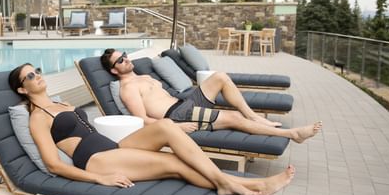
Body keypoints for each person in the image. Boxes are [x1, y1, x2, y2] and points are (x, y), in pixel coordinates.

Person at [8, 62, 296, 195]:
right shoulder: (37, 118)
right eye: (30, 76)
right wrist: (98, 178)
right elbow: (53, 164)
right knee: (173, 163)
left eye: (37, 71)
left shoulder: (62, 102)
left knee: (168, 126)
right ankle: (245, 186)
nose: (37, 77)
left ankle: (227, 183)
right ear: (23, 88)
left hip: (111, 145)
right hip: (95, 159)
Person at [100, 48, 322, 143]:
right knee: (233, 118)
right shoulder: (127, 88)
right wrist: (175, 127)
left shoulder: (142, 76)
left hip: (183, 103)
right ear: (113, 70)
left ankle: (254, 117)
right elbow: (142, 121)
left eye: (126, 56)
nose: (126, 60)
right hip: (177, 115)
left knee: (220, 77)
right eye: (120, 61)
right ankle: (292, 134)